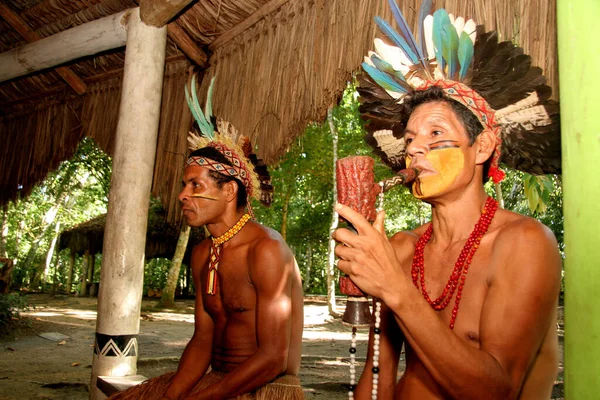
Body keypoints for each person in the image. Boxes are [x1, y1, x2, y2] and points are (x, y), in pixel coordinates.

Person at [333, 3, 561, 399]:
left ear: (482, 146)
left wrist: (395, 288)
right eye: (408, 140)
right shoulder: (402, 249)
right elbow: (378, 379)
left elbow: (498, 389)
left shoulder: (524, 244)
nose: (415, 149)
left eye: (435, 134)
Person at [111, 77, 304, 400]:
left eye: (195, 186)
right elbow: (203, 339)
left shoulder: (266, 250)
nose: (182, 195)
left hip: (265, 387)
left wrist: (203, 398)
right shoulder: (203, 253)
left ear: (229, 190)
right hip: (215, 383)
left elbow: (273, 358)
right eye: (184, 185)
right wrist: (173, 397)